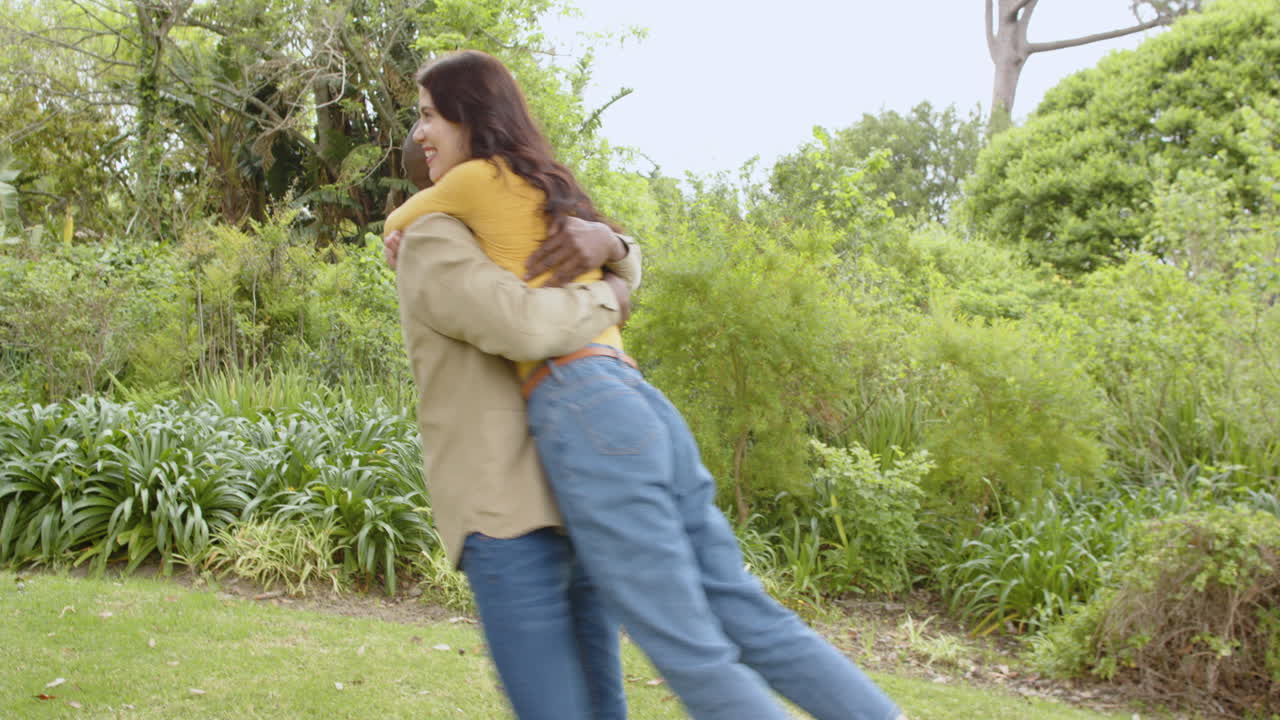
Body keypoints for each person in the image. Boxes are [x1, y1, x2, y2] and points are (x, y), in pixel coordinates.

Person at [387, 49, 906, 720]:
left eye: (429, 117)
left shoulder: (442, 231)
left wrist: (613, 259)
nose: (421, 136)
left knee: (692, 651)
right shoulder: (488, 215)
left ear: (468, 120)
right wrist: (614, 271)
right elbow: (581, 276)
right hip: (592, 452)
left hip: (533, 491)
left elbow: (526, 322)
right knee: (728, 616)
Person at [388, 130, 640, 720]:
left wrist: (614, 248)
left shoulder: (510, 233)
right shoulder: (431, 241)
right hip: (506, 514)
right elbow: (521, 325)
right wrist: (610, 295)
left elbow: (612, 259)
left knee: (605, 708)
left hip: (574, 498)